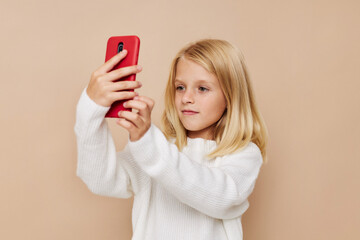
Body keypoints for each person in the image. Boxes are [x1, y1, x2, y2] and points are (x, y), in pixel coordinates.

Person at [74, 39, 269, 240]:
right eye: (180, 87)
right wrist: (90, 109)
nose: (186, 98)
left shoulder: (243, 153)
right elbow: (100, 180)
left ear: (231, 96)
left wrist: (148, 144)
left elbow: (222, 198)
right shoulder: (155, 148)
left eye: (202, 88)